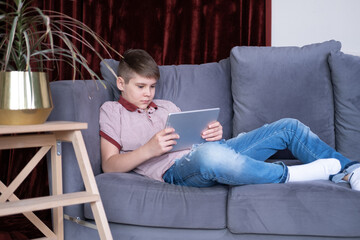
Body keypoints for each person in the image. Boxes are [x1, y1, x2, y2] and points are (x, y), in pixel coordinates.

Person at [99, 49, 360, 190]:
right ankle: (291, 174)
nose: (148, 94)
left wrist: (211, 134)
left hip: (209, 152)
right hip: (176, 171)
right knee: (210, 157)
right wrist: (148, 150)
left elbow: (193, 141)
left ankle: (350, 170)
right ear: (121, 83)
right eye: (141, 86)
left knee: (289, 126)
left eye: (152, 87)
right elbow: (109, 165)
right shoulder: (111, 111)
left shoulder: (166, 106)